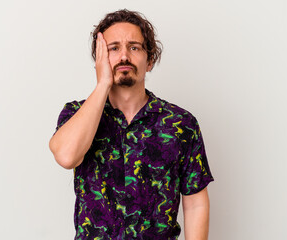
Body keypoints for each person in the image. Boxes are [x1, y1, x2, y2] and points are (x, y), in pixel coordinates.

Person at [49, 9, 214, 240]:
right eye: (113, 48)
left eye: (134, 47)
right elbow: (67, 156)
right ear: (99, 58)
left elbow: (195, 203)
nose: (124, 56)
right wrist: (103, 83)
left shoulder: (181, 124)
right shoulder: (76, 113)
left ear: (150, 60)